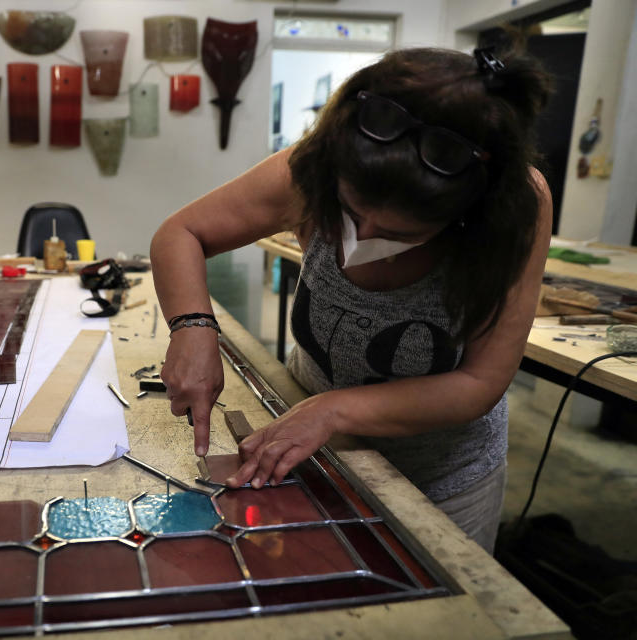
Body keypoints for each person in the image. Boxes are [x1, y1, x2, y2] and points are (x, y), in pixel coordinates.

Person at [150, 46, 552, 553]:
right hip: (312, 449)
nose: (363, 235)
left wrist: (334, 411)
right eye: (350, 210)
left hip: (442, 478)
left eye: (398, 231)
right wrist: (192, 326)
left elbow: (479, 383)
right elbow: (181, 231)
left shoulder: (516, 206)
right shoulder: (314, 165)